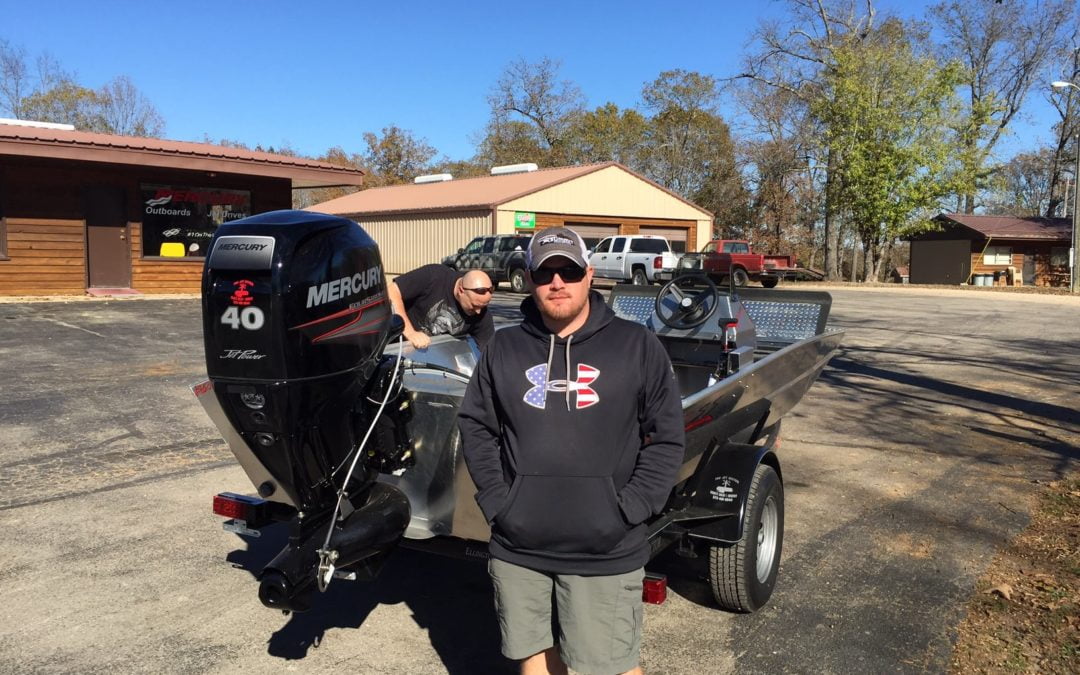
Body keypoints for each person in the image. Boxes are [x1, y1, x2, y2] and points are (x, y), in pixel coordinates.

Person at [457, 227, 685, 675]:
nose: (557, 282)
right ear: (528, 279)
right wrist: (499, 503)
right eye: (546, 273)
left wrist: (630, 508)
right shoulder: (503, 347)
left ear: (590, 275)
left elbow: (666, 436)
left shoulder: (637, 345)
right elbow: (477, 427)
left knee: (611, 666)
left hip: (605, 547)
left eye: (569, 270)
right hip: (519, 545)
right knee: (534, 660)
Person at [387, 264, 495, 350]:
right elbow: (392, 291)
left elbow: (489, 353)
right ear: (461, 290)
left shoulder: (482, 314)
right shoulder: (433, 276)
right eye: (474, 306)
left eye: (483, 306)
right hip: (396, 348)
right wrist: (410, 333)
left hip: (435, 362)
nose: (478, 312)